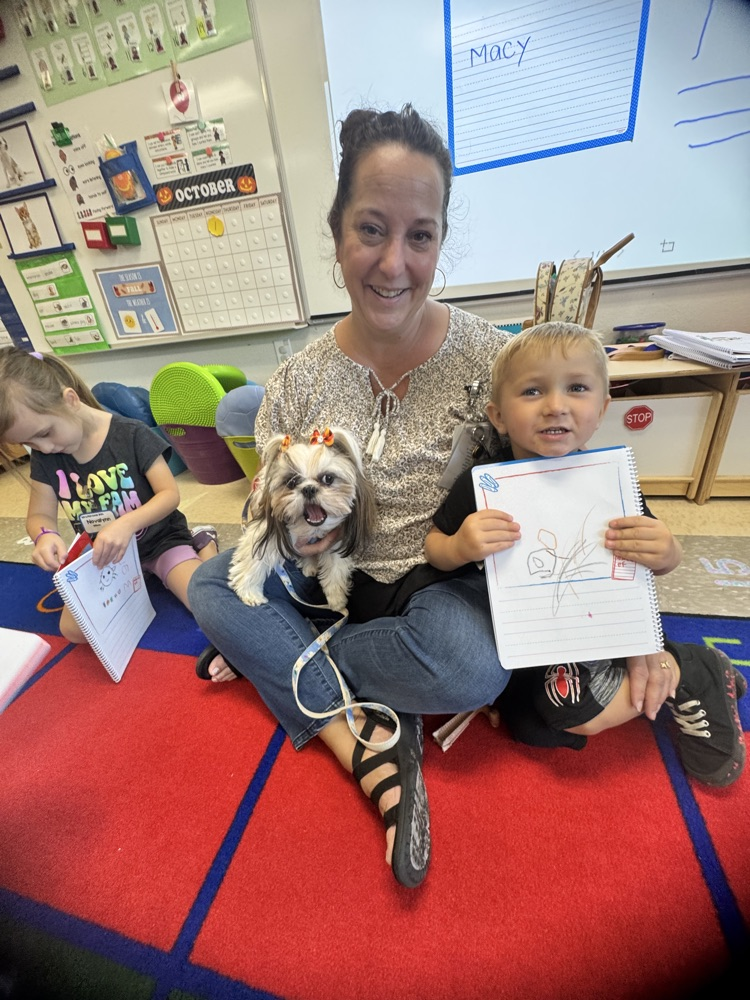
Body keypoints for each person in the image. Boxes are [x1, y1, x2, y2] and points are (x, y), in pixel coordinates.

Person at [187, 105, 680, 889]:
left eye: (420, 235)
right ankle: (363, 733)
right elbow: (264, 510)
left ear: (442, 240)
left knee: (473, 668)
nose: (394, 262)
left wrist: (635, 621)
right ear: (337, 231)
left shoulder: (493, 357)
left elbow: (578, 480)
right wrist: (291, 518)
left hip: (437, 587)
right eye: (371, 229)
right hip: (324, 582)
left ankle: (274, 662)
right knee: (212, 577)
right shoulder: (297, 379)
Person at [425, 322, 746, 787]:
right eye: (533, 391)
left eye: (576, 388)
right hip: (529, 635)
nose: (556, 405)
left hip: (603, 625)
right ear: (498, 415)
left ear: (601, 408)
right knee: (532, 729)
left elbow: (655, 559)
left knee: (574, 712)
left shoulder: (609, 481)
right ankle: (662, 670)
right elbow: (434, 547)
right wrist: (458, 546)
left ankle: (692, 668)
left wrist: (668, 550)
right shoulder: (485, 481)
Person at [0, 346, 219, 646]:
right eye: (29, 443)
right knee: (75, 631)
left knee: (206, 603)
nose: (44, 448)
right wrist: (44, 535)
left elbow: (169, 495)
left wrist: (126, 524)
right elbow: (39, 515)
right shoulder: (45, 456)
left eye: (46, 432)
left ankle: (204, 544)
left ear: (70, 400)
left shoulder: (130, 434)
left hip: (160, 542)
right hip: (106, 556)